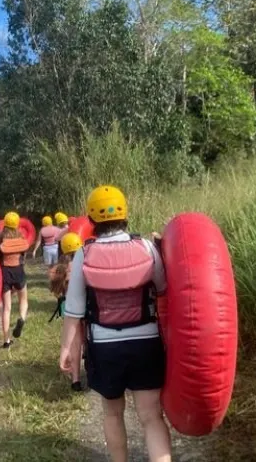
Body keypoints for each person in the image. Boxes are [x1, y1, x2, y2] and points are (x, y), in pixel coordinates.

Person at [59, 186, 171, 462]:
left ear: (92, 219)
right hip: (146, 342)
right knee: (151, 416)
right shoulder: (145, 246)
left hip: (105, 348)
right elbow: (163, 286)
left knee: (112, 413)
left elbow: (73, 311)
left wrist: (67, 350)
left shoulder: (85, 254)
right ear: (125, 213)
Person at [0, 211, 30, 349]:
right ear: (16, 224)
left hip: (4, 272)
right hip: (19, 271)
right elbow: (23, 256)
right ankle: (22, 318)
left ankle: (6, 340)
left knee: (6, 308)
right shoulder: (21, 236)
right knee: (23, 299)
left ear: (5, 222)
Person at [48, 231, 84, 392]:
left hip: (68, 308)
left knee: (74, 342)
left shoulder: (60, 269)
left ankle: (75, 379)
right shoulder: (84, 263)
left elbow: (55, 291)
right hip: (86, 306)